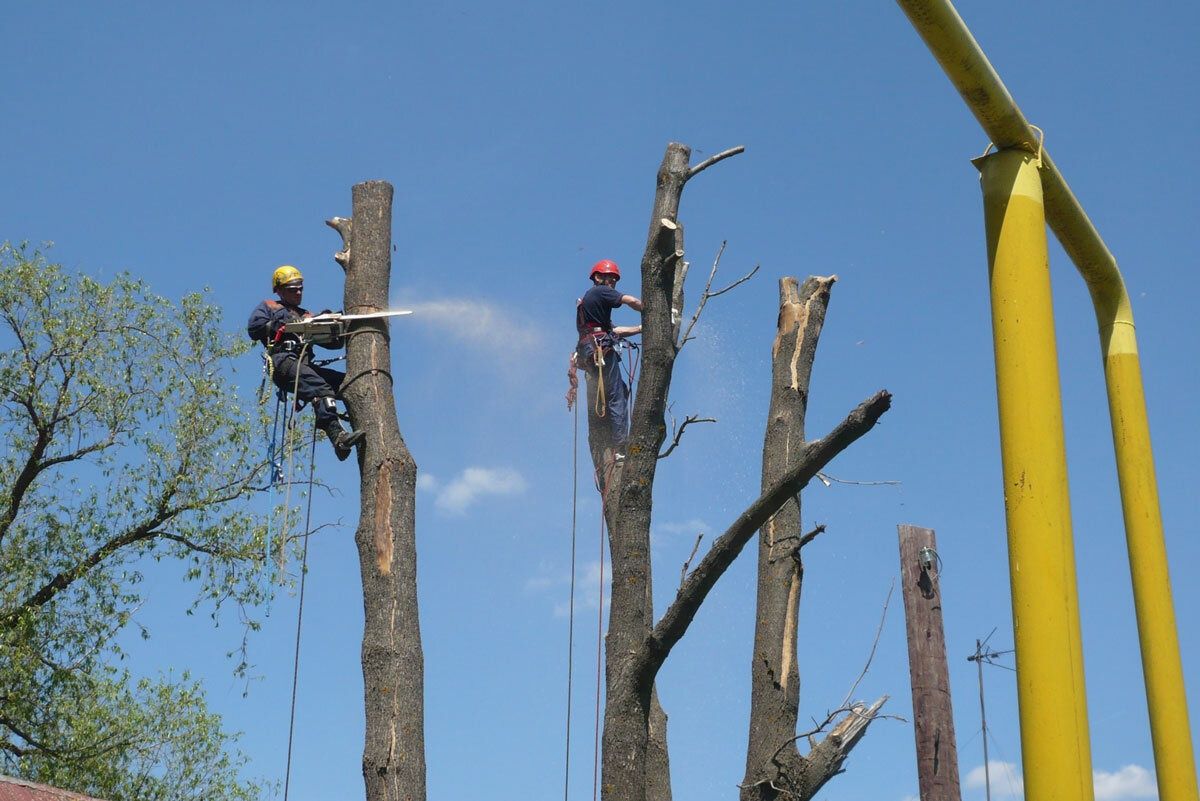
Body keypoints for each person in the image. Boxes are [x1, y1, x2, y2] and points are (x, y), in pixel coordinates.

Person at [247, 265, 364, 461]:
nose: (298, 292)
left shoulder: (307, 315)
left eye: (300, 288)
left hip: (305, 366)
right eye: (293, 289)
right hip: (283, 363)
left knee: (349, 383)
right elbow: (254, 328)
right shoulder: (270, 307)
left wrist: (330, 325)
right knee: (319, 387)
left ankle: (355, 422)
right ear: (279, 290)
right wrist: (285, 326)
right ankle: (338, 437)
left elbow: (334, 344)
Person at [566, 259, 643, 464]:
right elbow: (631, 301)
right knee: (616, 394)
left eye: (614, 281)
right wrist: (650, 311)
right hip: (600, 350)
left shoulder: (590, 305)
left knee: (610, 393)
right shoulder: (600, 291)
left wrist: (642, 328)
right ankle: (620, 447)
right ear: (598, 278)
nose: (613, 284)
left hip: (590, 351)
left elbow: (615, 331)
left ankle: (605, 433)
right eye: (610, 279)